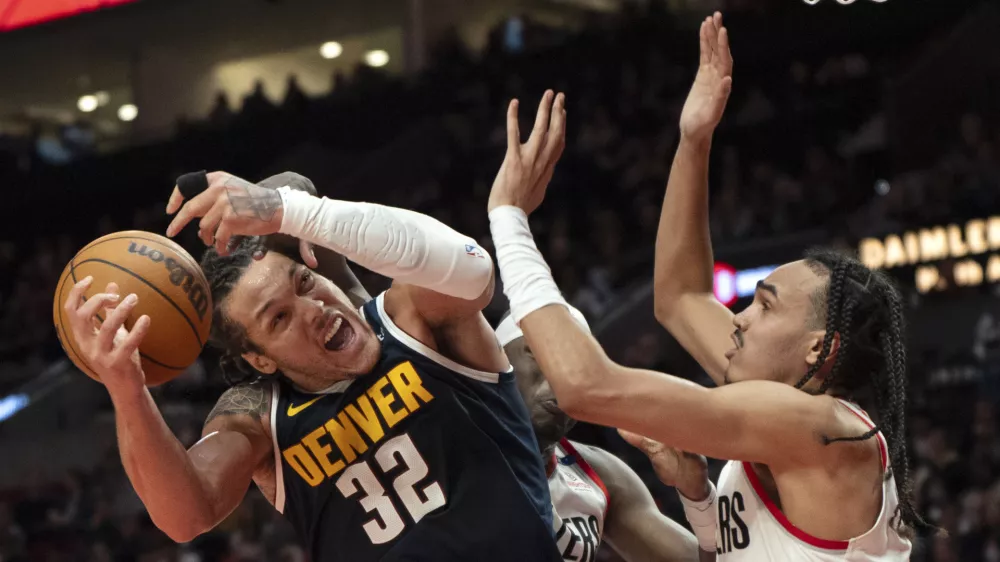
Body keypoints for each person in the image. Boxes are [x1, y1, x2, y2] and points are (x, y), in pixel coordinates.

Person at [485, 14, 915, 562]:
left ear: (818, 349)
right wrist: (694, 140)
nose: (736, 316)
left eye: (764, 305)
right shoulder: (785, 398)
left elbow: (584, 386)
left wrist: (508, 218)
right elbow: (682, 298)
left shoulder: (816, 424)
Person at [62, 123, 566, 559]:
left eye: (305, 283)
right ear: (258, 357)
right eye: (279, 318)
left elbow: (473, 269)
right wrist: (127, 389)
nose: (313, 309)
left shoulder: (413, 320)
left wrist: (289, 211)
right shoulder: (258, 415)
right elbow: (183, 517)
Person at [497, 308, 716, 562]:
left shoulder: (602, 474)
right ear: (498, 359)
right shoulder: (448, 442)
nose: (562, 379)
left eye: (578, 370)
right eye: (540, 355)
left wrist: (698, 499)